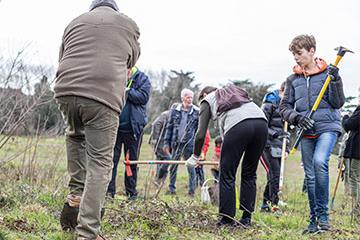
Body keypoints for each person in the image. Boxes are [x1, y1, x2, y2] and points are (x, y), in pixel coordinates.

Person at [54, 0, 140, 239]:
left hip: (65, 90)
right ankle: (88, 232)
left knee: (75, 136)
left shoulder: (74, 22)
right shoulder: (128, 24)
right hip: (101, 96)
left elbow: (63, 54)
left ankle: (76, 195)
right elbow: (131, 60)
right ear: (114, 8)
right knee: (100, 163)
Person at [280, 34, 345, 234]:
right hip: (305, 130)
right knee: (309, 176)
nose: (297, 58)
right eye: (294, 55)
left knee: (319, 163)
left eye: (299, 53)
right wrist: (297, 118)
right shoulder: (292, 80)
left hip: (327, 127)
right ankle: (313, 219)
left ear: (311, 51)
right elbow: (284, 107)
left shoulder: (328, 74)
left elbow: (338, 103)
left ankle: (323, 217)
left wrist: (335, 80)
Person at [186, 85, 268, 227]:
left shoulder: (207, 100)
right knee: (249, 173)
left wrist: (195, 156)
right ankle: (246, 219)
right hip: (261, 122)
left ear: (204, 95)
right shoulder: (234, 91)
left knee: (227, 174)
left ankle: (227, 220)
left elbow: (200, 134)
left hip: (239, 125)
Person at [106, 67, 151, 200]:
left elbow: (143, 97)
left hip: (133, 129)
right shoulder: (116, 76)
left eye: (127, 70)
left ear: (131, 68)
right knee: (111, 161)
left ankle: (131, 194)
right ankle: (109, 193)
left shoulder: (142, 79)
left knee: (131, 162)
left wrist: (127, 91)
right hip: (115, 128)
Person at [157, 88, 199, 197]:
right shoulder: (175, 111)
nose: (190, 99)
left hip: (190, 144)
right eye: (188, 97)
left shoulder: (196, 112)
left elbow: (199, 131)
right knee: (173, 166)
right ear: (182, 98)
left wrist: (200, 148)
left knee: (191, 167)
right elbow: (169, 127)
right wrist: (166, 143)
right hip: (176, 143)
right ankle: (171, 189)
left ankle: (191, 191)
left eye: (191, 97)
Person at [259, 82, 290, 213]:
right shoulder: (268, 104)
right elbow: (261, 125)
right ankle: (274, 205)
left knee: (273, 176)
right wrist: (275, 134)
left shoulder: (288, 107)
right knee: (275, 175)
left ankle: (265, 205)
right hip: (265, 144)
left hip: (279, 146)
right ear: (282, 91)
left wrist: (287, 148)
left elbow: (287, 131)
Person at [342, 98, 360, 223]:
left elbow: (349, 125)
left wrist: (345, 117)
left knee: (355, 178)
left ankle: (356, 210)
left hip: (357, 150)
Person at [149, 110, 171, 181]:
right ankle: (159, 177)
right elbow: (156, 124)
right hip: (160, 142)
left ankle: (159, 181)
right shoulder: (166, 115)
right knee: (168, 159)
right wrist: (155, 138)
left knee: (160, 160)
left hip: (166, 142)